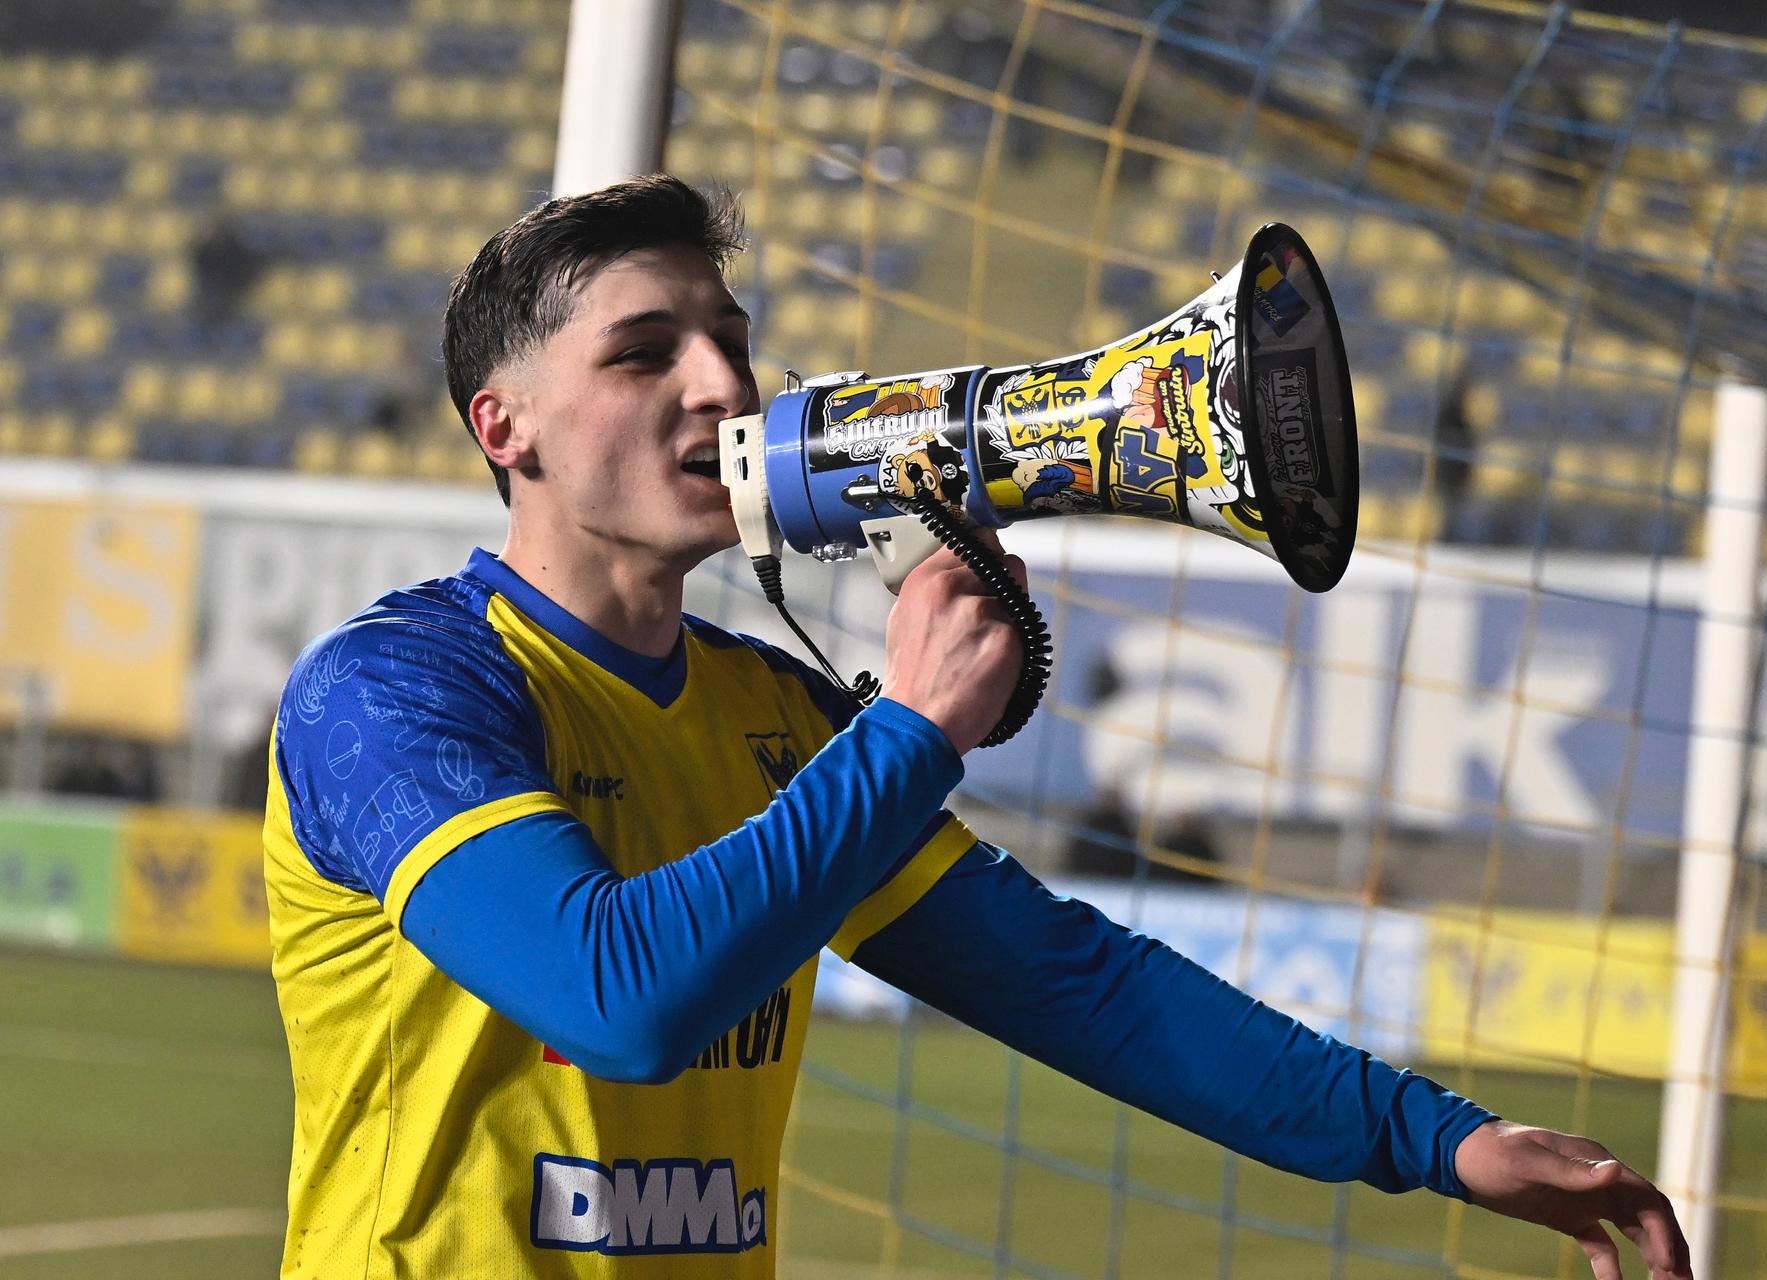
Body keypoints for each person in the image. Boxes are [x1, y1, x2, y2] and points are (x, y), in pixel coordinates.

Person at [263, 176, 1690, 1280]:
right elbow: (616, 1001)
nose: (723, 386)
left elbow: (1077, 984)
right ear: (503, 428)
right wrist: (911, 730)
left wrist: (1441, 1141)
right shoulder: (390, 689)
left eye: (732, 344)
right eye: (645, 355)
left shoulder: (772, 714)